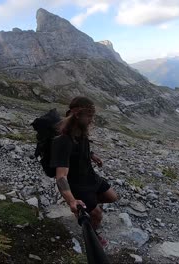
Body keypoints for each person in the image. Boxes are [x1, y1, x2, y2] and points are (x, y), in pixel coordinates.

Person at [50, 96, 118, 247]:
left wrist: (92, 155)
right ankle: (92, 235)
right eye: (89, 116)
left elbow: (79, 148)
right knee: (98, 215)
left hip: (90, 177)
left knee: (112, 196)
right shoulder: (63, 140)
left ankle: (86, 207)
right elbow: (61, 177)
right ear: (77, 114)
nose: (91, 120)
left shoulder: (80, 131)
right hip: (78, 184)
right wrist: (71, 200)